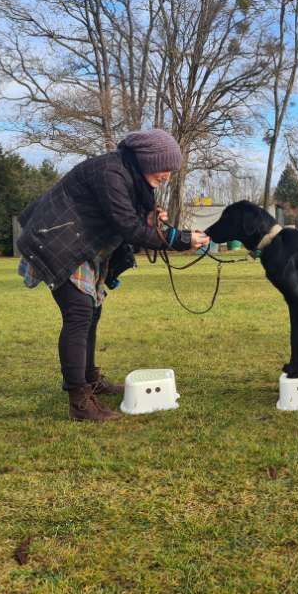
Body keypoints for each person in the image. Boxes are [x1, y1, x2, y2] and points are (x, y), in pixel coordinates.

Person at [16, 129, 210, 422]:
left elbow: (129, 220)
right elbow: (128, 228)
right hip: (57, 242)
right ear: (147, 160)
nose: (167, 175)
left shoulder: (131, 177)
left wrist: (150, 218)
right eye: (164, 167)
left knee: (91, 312)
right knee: (79, 314)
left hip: (83, 245)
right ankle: (79, 401)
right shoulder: (110, 172)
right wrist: (181, 239)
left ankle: (90, 379)